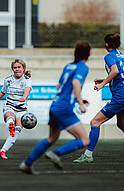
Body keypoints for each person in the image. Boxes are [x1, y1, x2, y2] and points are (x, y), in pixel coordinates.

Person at [73, 34, 124, 164]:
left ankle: (88, 155)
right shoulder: (122, 56)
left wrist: (102, 84)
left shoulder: (108, 56)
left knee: (95, 122)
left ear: (106, 44)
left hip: (120, 95)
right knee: (122, 124)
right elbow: (119, 75)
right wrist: (105, 80)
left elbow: (115, 71)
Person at [19, 41, 91, 174]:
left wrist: (76, 98)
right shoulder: (83, 67)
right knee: (85, 140)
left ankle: (27, 164)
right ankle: (56, 154)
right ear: (89, 53)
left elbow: (60, 86)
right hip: (64, 108)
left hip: (55, 105)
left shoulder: (68, 66)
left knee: (52, 138)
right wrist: (80, 102)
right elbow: (75, 83)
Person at [0, 59, 32, 159]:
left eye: (19, 67)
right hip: (10, 106)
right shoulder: (8, 80)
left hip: (22, 109)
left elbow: (27, 89)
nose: (17, 69)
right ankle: (10, 125)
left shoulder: (27, 80)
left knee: (17, 130)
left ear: (23, 68)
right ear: (12, 69)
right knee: (10, 117)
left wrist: (24, 97)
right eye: (15, 67)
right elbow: (2, 92)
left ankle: (2, 151)